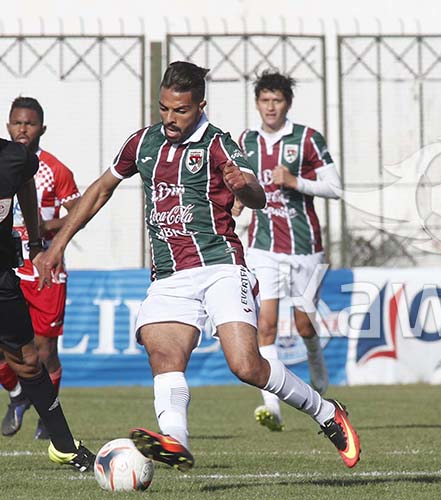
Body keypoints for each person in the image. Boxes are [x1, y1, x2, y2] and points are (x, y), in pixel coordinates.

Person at [34, 61, 361, 471]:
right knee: (163, 354)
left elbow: (255, 193)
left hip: (220, 266)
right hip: (170, 276)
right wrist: (56, 247)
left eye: (181, 111)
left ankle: (326, 411)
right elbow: (100, 190)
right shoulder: (144, 143)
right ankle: (177, 442)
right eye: (164, 109)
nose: (170, 119)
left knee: (246, 366)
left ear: (200, 105)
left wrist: (246, 187)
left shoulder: (220, 145)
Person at [233, 70, 341, 432]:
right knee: (265, 325)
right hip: (263, 247)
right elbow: (239, 184)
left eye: (276, 101)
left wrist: (296, 182)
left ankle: (318, 375)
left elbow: (335, 187)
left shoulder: (307, 139)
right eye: (264, 101)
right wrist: (236, 205)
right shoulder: (246, 141)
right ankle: (271, 406)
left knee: (304, 323)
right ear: (257, 104)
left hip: (304, 247)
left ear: (287, 104)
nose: (270, 107)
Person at [0, 135, 93, 471]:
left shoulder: (14, 158)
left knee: (28, 361)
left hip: (1, 278)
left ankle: (65, 447)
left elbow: (26, 184)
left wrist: (36, 242)